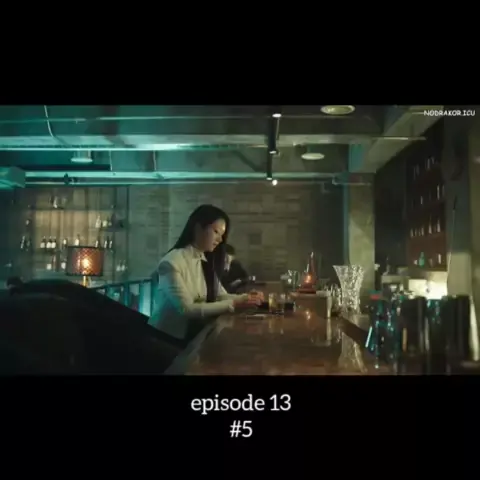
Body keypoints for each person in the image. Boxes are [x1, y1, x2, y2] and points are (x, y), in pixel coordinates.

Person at [149, 205, 261, 341]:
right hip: (166, 338)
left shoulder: (205, 261)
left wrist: (246, 298)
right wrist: (234, 305)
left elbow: (220, 295)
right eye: (216, 232)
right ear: (198, 228)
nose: (220, 240)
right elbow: (186, 309)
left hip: (193, 333)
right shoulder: (171, 262)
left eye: (222, 235)